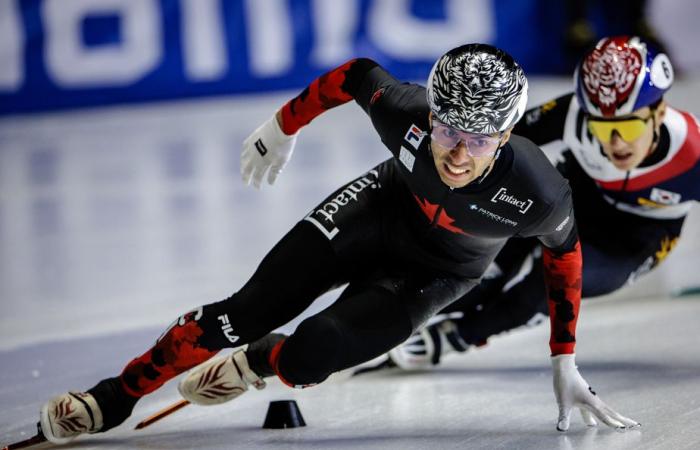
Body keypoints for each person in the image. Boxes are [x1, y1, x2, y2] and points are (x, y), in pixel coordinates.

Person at [37, 44, 638, 445]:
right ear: (432, 115)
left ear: (506, 134)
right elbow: (353, 74)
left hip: (438, 271)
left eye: (480, 141)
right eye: (449, 129)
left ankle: (263, 361)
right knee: (243, 312)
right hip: (376, 210)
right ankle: (114, 396)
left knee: (310, 353)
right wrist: (282, 126)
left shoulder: (537, 191)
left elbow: (566, 255)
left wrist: (564, 356)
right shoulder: (406, 112)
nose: (458, 152)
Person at [385, 36, 699, 375]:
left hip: (634, 237)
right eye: (601, 127)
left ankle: (457, 337)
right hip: (577, 195)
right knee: (488, 261)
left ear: (659, 112)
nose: (615, 143)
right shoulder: (573, 113)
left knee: (546, 289)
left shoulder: (694, 155)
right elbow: (495, 141)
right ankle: (395, 314)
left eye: (628, 126)